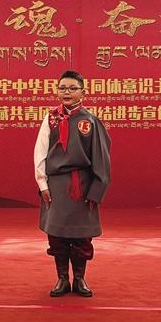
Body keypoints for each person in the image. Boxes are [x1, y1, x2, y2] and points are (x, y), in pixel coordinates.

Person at [34, 70, 111, 297]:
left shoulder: (91, 121)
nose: (66, 92)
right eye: (62, 88)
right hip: (56, 186)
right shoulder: (50, 119)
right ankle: (62, 279)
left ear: (83, 93)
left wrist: (96, 190)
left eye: (72, 88)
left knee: (81, 236)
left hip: (82, 186)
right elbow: (40, 153)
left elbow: (102, 158)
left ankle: (79, 278)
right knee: (56, 235)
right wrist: (43, 184)